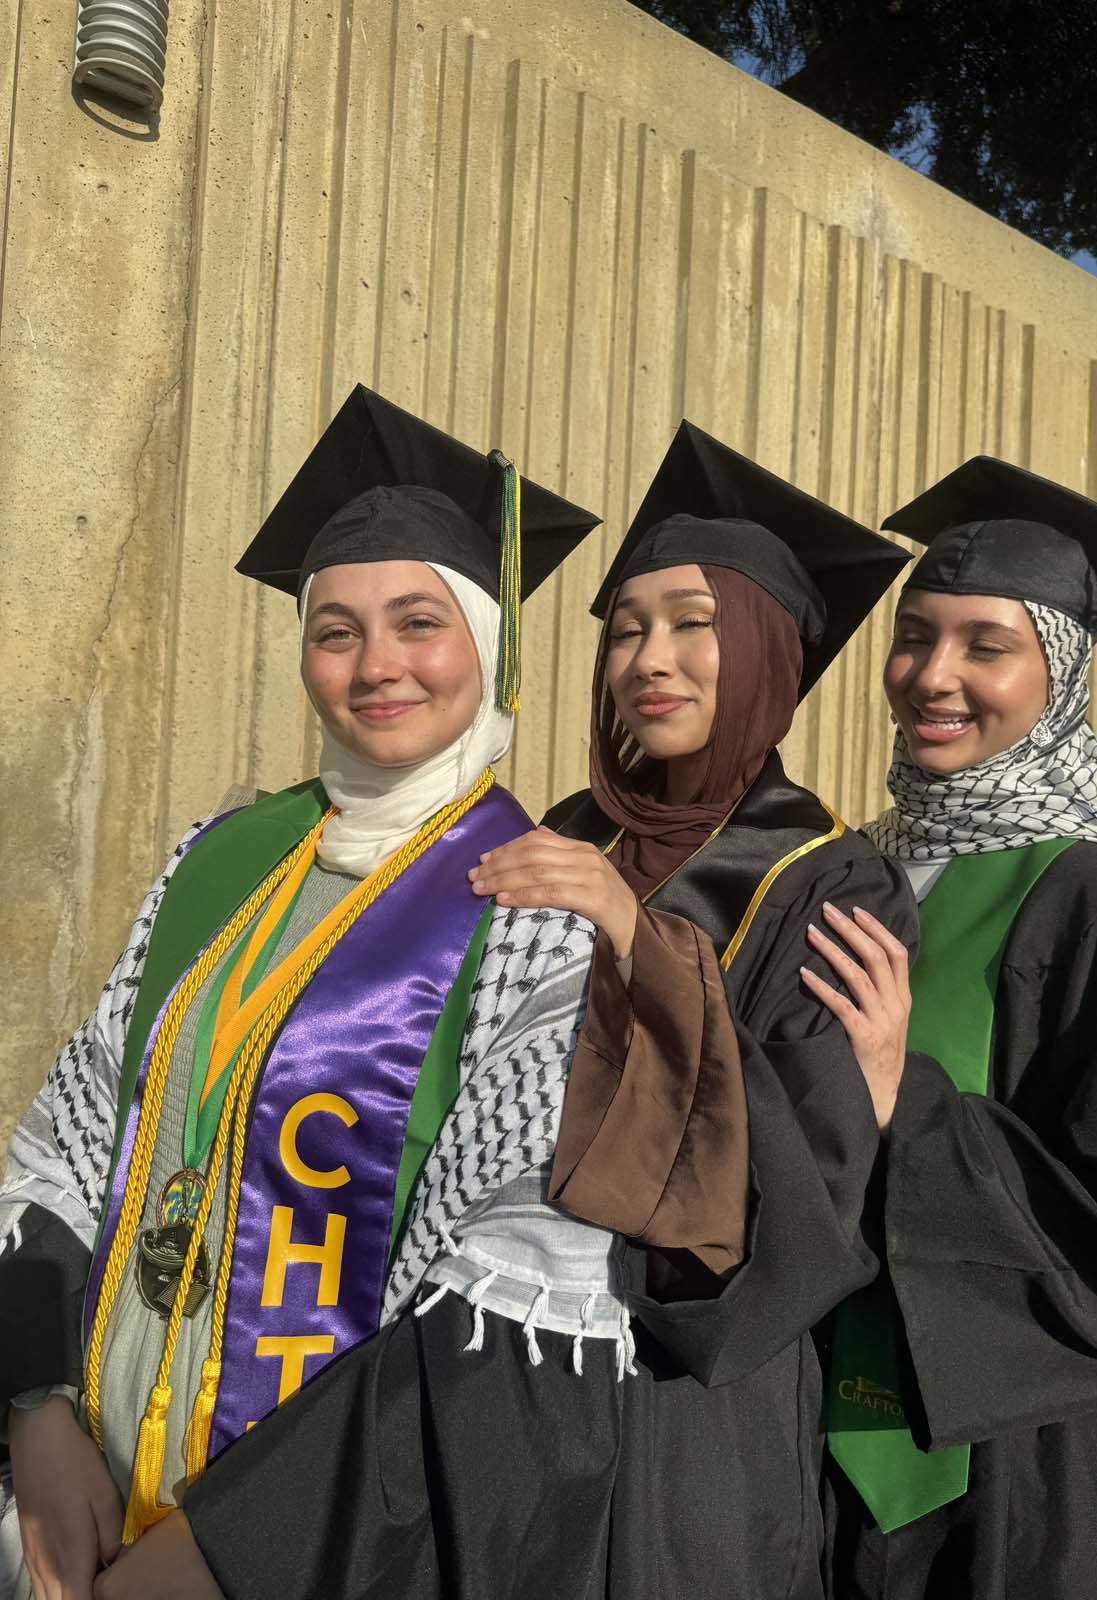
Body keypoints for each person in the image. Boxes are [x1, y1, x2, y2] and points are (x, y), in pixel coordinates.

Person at [139, 421, 921, 1599]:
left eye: (694, 624)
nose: (650, 658)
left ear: (768, 650)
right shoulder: (558, 828)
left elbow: (798, 1191)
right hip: (469, 1364)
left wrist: (633, 931)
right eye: (625, 629)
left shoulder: (828, 877)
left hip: (686, 1414)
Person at [0, 383, 602, 1600]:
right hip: (79, 1508)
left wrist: (223, 1549)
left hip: (311, 1551)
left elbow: (497, 1294)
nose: (375, 665)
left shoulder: (538, 912)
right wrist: (37, 1412)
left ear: (487, 648)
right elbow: (66, 1137)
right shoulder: (213, 859)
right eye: (336, 630)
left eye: (418, 622)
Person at [810, 456, 1097, 1599]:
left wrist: (907, 1100)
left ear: (1062, 677)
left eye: (987, 646)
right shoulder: (849, 867)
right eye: (915, 636)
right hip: (811, 1428)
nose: (934, 677)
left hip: (1036, 1460)